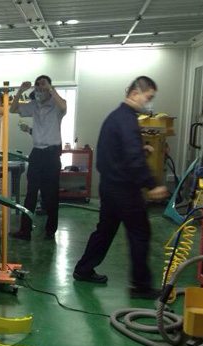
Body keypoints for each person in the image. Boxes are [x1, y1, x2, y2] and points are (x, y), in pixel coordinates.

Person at [73, 76, 169, 299]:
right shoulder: (127, 120)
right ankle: (141, 286)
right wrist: (152, 184)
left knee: (105, 230)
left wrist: (141, 149)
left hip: (109, 186)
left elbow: (115, 152)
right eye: (149, 97)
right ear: (135, 93)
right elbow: (133, 158)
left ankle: (83, 269)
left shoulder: (116, 117)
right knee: (140, 232)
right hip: (125, 189)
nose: (149, 102)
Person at [9, 75, 66, 241]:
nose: (39, 88)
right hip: (37, 153)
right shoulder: (34, 105)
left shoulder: (57, 105)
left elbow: (64, 105)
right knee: (31, 193)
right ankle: (25, 231)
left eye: (43, 85)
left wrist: (50, 88)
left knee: (51, 193)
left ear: (49, 87)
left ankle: (50, 231)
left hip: (52, 154)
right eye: (37, 85)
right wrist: (20, 90)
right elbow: (13, 109)